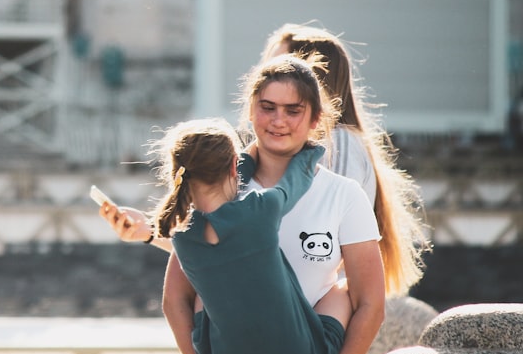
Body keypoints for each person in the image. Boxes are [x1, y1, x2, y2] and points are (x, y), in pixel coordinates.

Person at [100, 23, 429, 298]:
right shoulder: (275, 159)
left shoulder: (340, 147)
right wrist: (149, 231)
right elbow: (238, 246)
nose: (266, 73)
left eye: (279, 64)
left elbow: (308, 258)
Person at [163, 55, 385, 354]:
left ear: (315, 119)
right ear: (250, 110)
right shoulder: (216, 189)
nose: (278, 120)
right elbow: (176, 298)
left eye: (293, 110)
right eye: (267, 107)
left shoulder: (344, 195)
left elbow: (371, 302)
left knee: (341, 291)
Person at [152, 114, 352, 354]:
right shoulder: (260, 210)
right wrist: (312, 149)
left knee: (200, 298)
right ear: (234, 167)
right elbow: (298, 177)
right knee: (343, 290)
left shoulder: (181, 234)